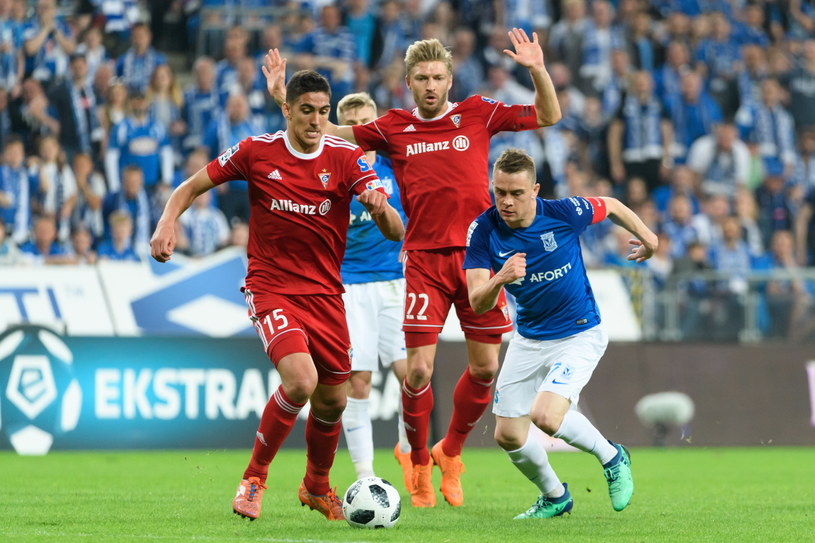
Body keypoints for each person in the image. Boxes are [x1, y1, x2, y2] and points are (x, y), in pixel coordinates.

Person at [264, 26, 561, 509]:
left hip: (480, 258)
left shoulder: (478, 113)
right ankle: (419, 461)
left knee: (485, 368)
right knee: (418, 371)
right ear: (408, 82)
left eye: (437, 76)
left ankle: (452, 454)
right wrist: (284, 102)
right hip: (422, 261)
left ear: (450, 80)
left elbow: (549, 114)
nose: (429, 84)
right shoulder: (393, 127)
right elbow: (326, 133)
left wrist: (537, 69)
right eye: (420, 77)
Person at [149, 70, 404, 522]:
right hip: (271, 289)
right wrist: (168, 221)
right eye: (307, 111)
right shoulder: (256, 151)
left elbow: (395, 230)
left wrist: (381, 210)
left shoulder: (347, 158)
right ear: (286, 110)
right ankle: (253, 479)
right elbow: (191, 187)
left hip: (326, 294)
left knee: (334, 400)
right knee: (301, 381)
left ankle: (316, 486)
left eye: (324, 112)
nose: (316, 121)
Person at [463, 148, 656, 519]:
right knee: (508, 435)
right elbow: (477, 302)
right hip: (529, 338)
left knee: (546, 416)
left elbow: (612, 205)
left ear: (534, 190)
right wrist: (500, 277)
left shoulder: (564, 213)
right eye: (499, 191)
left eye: (516, 193)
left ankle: (613, 457)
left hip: (579, 332)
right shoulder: (484, 230)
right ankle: (554, 496)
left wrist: (649, 238)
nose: (506, 201)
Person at [334, 92, 411, 487]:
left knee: (412, 374)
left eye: (367, 122)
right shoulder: (332, 174)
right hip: (349, 286)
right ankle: (365, 476)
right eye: (353, 124)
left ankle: (408, 453)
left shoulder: (397, 168)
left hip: (396, 283)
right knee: (358, 381)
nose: (361, 131)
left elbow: (420, 210)